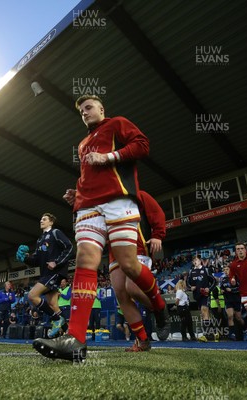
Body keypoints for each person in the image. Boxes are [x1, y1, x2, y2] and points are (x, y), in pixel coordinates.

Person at [33, 95, 169, 362]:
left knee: (129, 266)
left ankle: (160, 306)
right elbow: (91, 174)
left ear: (101, 109)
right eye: (81, 110)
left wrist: (109, 156)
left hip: (118, 201)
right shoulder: (83, 143)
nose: (84, 112)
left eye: (88, 107)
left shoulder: (117, 124)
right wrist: (78, 192)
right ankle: (75, 339)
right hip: (88, 207)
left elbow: (142, 145)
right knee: (86, 259)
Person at [108, 190, 167, 352]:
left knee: (132, 288)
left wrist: (158, 235)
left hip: (138, 247)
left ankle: (159, 308)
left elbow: (157, 212)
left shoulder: (136, 194)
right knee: (122, 295)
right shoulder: (102, 201)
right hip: (114, 251)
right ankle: (143, 341)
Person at [16, 213, 73, 338]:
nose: (41, 220)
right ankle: (69, 334)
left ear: (51, 222)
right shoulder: (40, 239)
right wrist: (25, 258)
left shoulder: (55, 232)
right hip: (45, 274)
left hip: (55, 272)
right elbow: (36, 260)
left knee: (32, 296)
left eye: (44, 219)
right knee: (53, 305)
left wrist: (56, 262)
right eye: (41, 219)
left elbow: (69, 247)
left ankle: (56, 320)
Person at [187, 255, 216, 341]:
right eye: (193, 261)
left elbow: (214, 281)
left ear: (200, 261)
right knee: (204, 315)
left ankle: (206, 335)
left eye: (196, 260)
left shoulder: (206, 270)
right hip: (197, 296)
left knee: (204, 311)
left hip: (205, 295)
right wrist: (190, 287)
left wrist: (209, 289)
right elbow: (188, 283)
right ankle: (214, 332)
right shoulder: (191, 272)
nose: (195, 261)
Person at [220, 265, 243, 340]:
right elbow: (222, 288)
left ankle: (245, 330)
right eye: (224, 269)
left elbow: (240, 288)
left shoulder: (236, 277)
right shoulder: (223, 279)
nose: (226, 271)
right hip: (228, 300)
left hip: (236, 300)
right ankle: (232, 334)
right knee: (230, 316)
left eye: (227, 269)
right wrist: (222, 291)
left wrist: (232, 290)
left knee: (238, 318)